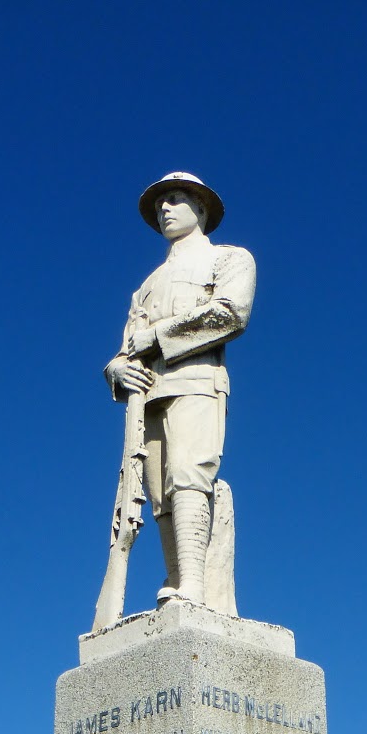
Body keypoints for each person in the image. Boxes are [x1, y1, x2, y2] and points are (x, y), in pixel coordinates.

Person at [105, 172, 255, 608]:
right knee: (158, 496)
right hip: (148, 397)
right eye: (159, 205)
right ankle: (176, 577)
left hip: (196, 381)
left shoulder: (228, 259)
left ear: (201, 209)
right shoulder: (146, 286)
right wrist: (116, 371)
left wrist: (158, 337)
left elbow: (230, 314)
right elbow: (125, 349)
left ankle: (195, 582)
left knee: (189, 475)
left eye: (174, 200)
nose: (165, 209)